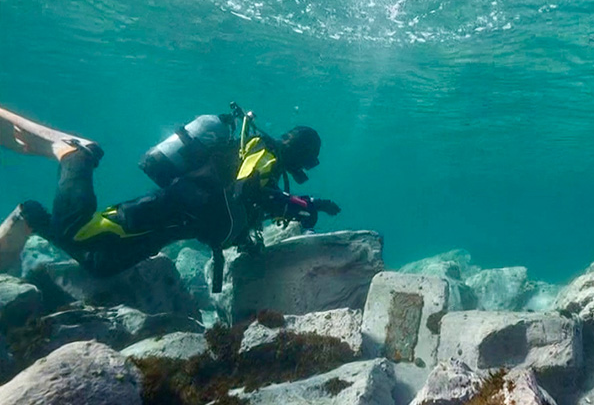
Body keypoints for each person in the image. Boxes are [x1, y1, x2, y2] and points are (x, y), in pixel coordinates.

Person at [0, 104, 340, 290]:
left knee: (99, 266)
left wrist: (305, 204)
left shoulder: (263, 157)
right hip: (154, 215)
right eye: (309, 158)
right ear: (300, 152)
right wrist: (302, 205)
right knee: (76, 231)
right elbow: (249, 191)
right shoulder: (264, 155)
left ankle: (29, 214)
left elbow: (251, 198)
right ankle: (76, 155)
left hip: (168, 225)